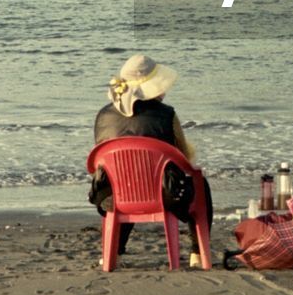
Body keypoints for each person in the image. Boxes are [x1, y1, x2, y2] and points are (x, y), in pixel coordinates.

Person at [89, 53, 213, 267]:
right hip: (163, 196)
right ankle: (197, 254)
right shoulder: (166, 115)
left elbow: (101, 162)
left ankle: (114, 252)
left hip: (113, 197)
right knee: (200, 184)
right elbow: (183, 157)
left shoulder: (102, 116)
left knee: (126, 180)